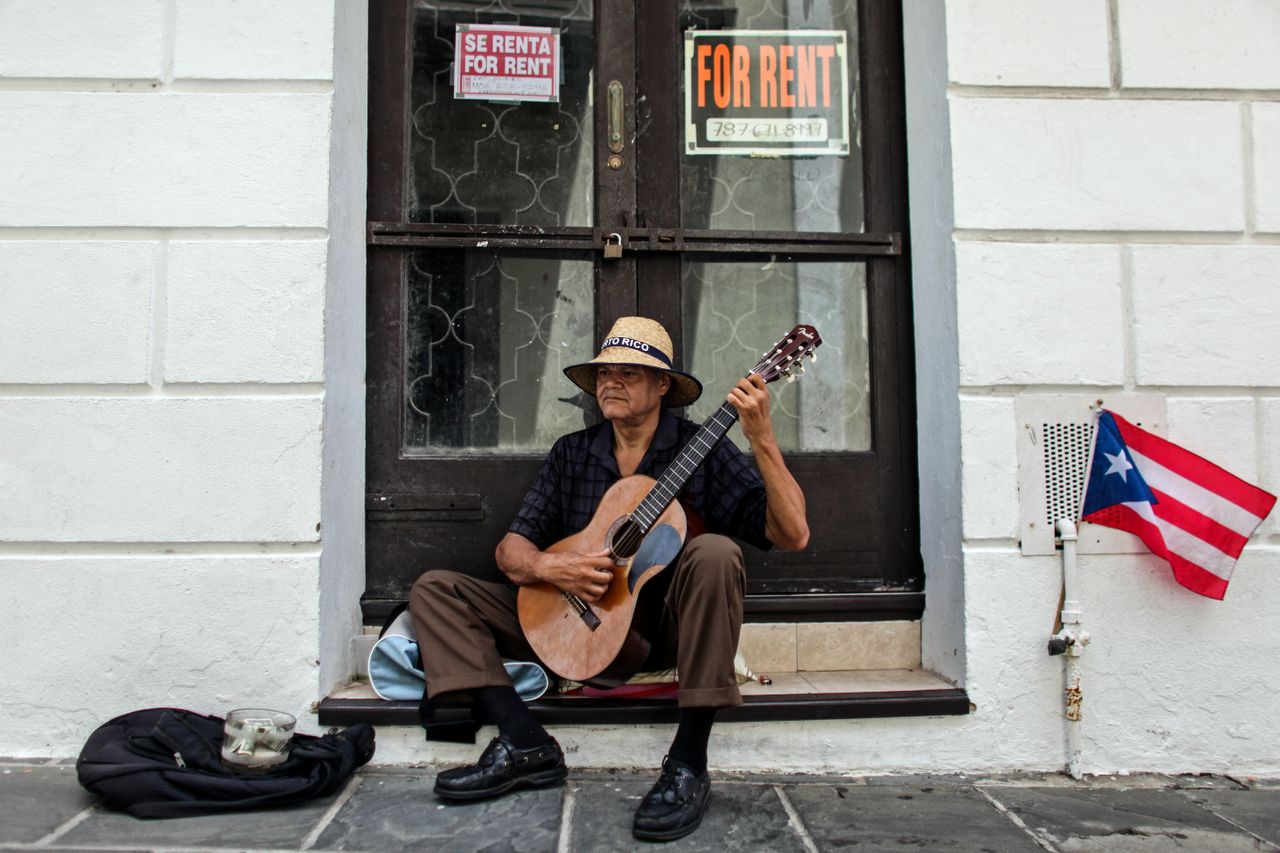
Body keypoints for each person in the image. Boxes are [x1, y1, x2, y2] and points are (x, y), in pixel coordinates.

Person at [409, 316, 809, 842]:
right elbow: (512, 551)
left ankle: (688, 762)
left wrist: (761, 437)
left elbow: (793, 533)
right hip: (570, 622)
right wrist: (553, 567)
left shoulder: (703, 449)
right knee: (435, 590)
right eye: (603, 373)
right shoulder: (573, 453)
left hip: (659, 632)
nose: (610, 383)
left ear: (663, 386)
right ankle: (524, 738)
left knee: (715, 552)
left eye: (629, 373)